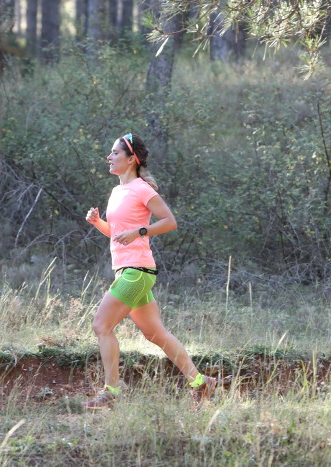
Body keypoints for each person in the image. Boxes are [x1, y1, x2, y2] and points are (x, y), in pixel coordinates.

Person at [82, 133, 220, 409]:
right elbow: (121, 234)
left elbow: (170, 222)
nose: (109, 157)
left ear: (131, 159)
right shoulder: (116, 191)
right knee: (156, 334)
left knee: (101, 326)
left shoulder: (142, 189)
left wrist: (141, 230)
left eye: (115, 153)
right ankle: (201, 382)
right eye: (110, 153)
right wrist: (99, 223)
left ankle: (111, 391)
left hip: (137, 271)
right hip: (129, 270)